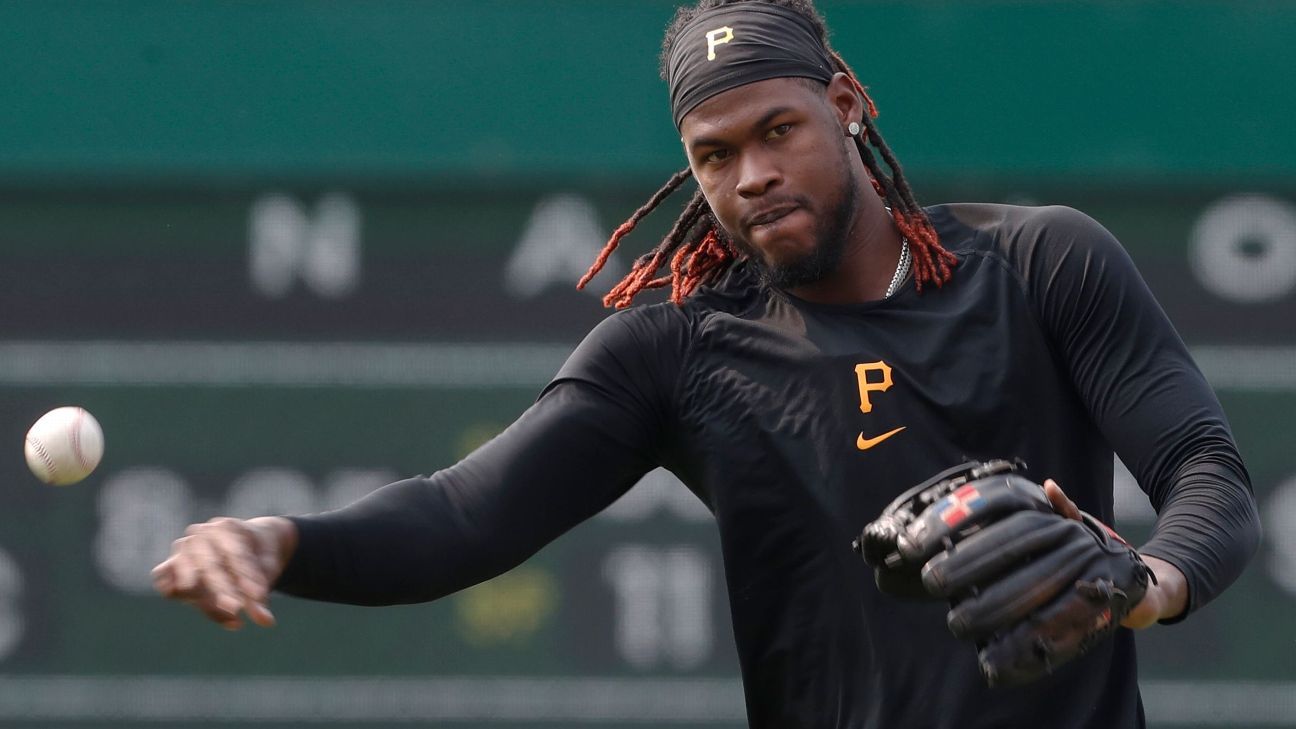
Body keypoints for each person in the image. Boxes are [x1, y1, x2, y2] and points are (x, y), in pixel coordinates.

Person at [152, 1, 1261, 727]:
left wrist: (1147, 585)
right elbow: (461, 517)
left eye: (779, 130)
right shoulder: (676, 352)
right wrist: (273, 538)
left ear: (846, 106)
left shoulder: (1038, 263)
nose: (751, 176)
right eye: (714, 155)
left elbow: (1208, 470)